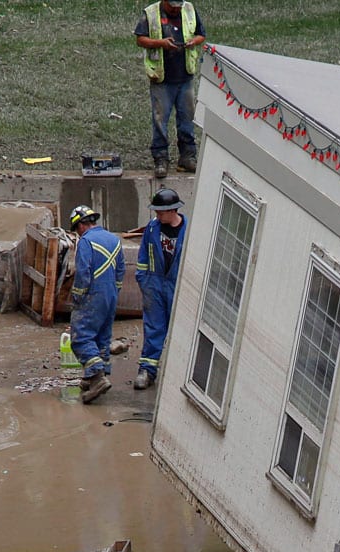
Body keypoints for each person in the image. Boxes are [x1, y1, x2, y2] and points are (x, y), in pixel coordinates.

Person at [133, 0, 206, 178]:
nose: (175, 8)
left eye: (177, 6)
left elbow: (201, 35)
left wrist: (192, 42)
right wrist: (161, 43)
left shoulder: (188, 9)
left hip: (185, 75)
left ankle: (187, 156)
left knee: (187, 118)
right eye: (172, 5)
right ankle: (161, 158)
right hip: (162, 77)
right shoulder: (150, 13)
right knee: (160, 120)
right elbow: (140, 39)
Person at [67, 205, 125, 404]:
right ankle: (96, 376)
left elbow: (83, 272)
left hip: (93, 294)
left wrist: (77, 296)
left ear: (81, 225)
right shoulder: (114, 239)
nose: (77, 233)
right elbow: (120, 271)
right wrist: (113, 293)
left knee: (81, 337)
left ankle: (97, 376)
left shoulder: (85, 241)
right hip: (110, 296)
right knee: (102, 336)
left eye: (76, 229)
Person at [132, 187, 189, 390]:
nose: (157, 214)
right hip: (154, 285)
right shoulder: (152, 228)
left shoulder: (190, 229)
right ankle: (147, 369)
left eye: (160, 211)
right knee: (154, 327)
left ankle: (181, 373)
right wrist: (144, 281)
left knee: (182, 330)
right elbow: (143, 258)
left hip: (178, 285)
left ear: (173, 210)